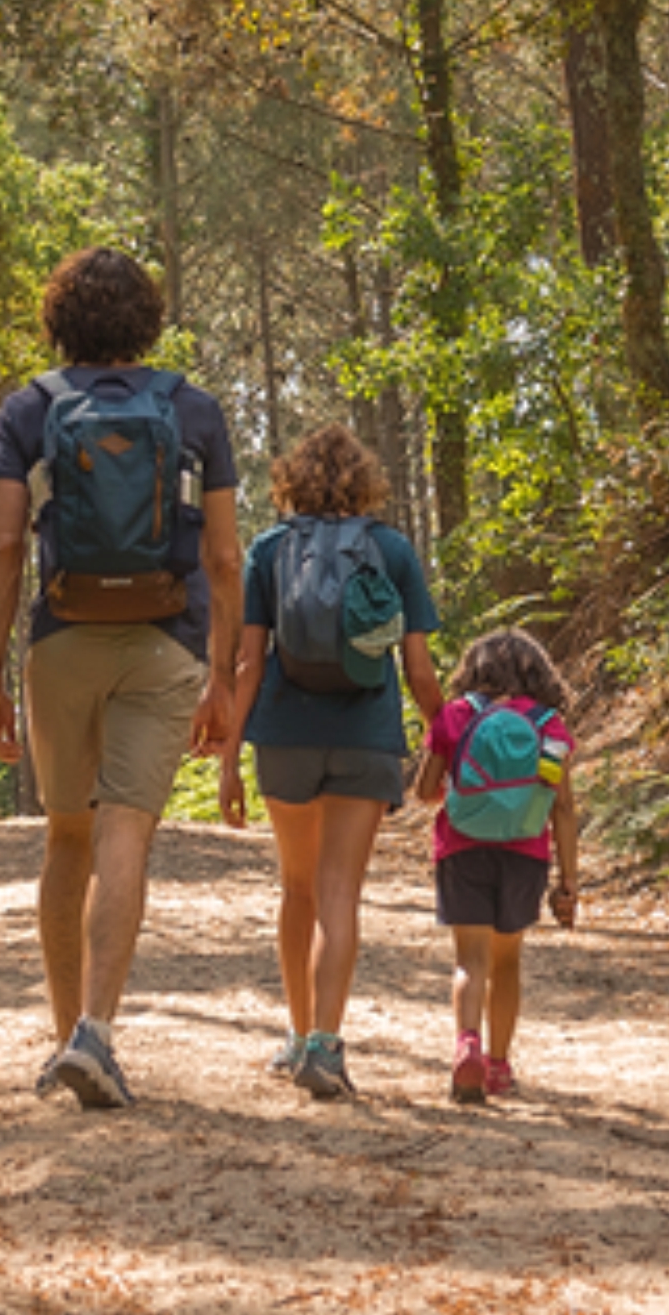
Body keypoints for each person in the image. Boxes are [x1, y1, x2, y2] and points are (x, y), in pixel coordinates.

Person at [0, 246, 243, 1109]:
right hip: (166, 641)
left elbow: (7, 542)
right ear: (148, 319)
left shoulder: (31, 407)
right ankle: (96, 1030)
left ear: (59, 318)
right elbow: (226, 555)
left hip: (61, 636)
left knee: (66, 836)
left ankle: (66, 1039)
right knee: (124, 832)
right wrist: (224, 675)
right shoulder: (194, 409)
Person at [214, 423, 442, 1102]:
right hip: (366, 734)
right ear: (365, 480)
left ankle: (294, 1032)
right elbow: (421, 668)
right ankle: (326, 1045)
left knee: (298, 888)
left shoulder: (270, 548)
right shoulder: (391, 549)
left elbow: (248, 661)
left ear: (292, 480)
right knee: (340, 891)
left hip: (285, 733)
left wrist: (229, 756)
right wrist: (445, 733)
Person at [411, 627, 579, 1104]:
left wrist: (465, 790)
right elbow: (561, 806)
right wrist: (569, 880)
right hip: (525, 853)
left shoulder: (456, 716)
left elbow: (425, 792)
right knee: (507, 963)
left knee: (470, 959)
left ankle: (467, 1044)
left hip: (461, 850)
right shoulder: (550, 726)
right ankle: (499, 1067)